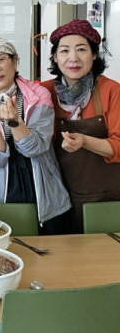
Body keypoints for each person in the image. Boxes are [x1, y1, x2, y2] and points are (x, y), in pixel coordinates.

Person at [0, 37, 72, 235]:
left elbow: (37, 148)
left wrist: (14, 121)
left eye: (0, 59)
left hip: (45, 191)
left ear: (14, 61)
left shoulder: (39, 95)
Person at [41, 19, 120, 232]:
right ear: (55, 57)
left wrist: (84, 141)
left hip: (106, 198)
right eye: (64, 51)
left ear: (94, 55)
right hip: (57, 199)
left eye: (82, 49)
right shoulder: (43, 92)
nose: (73, 58)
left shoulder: (111, 90)